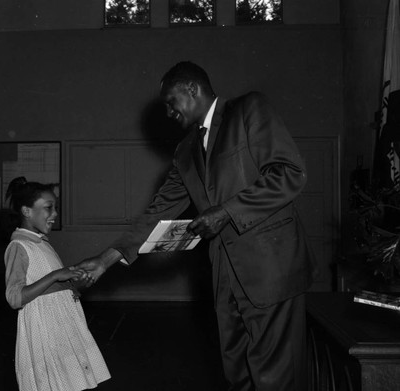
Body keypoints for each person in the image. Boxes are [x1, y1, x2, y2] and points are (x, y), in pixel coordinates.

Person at [73, 61, 316, 390]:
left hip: (272, 270)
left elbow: (289, 173)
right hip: (226, 281)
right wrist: (105, 260)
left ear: (192, 89)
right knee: (238, 376)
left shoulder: (248, 110)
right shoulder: (184, 152)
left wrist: (225, 212)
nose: (169, 113)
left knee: (276, 378)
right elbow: (156, 212)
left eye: (171, 102)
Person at [3, 177, 111, 391]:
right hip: (44, 329)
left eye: (55, 208)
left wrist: (73, 281)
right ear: (26, 211)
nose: (55, 214)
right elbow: (15, 298)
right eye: (48, 208)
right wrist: (54, 276)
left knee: (71, 381)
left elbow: (50, 286)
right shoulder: (19, 246)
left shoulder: (42, 242)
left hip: (63, 324)